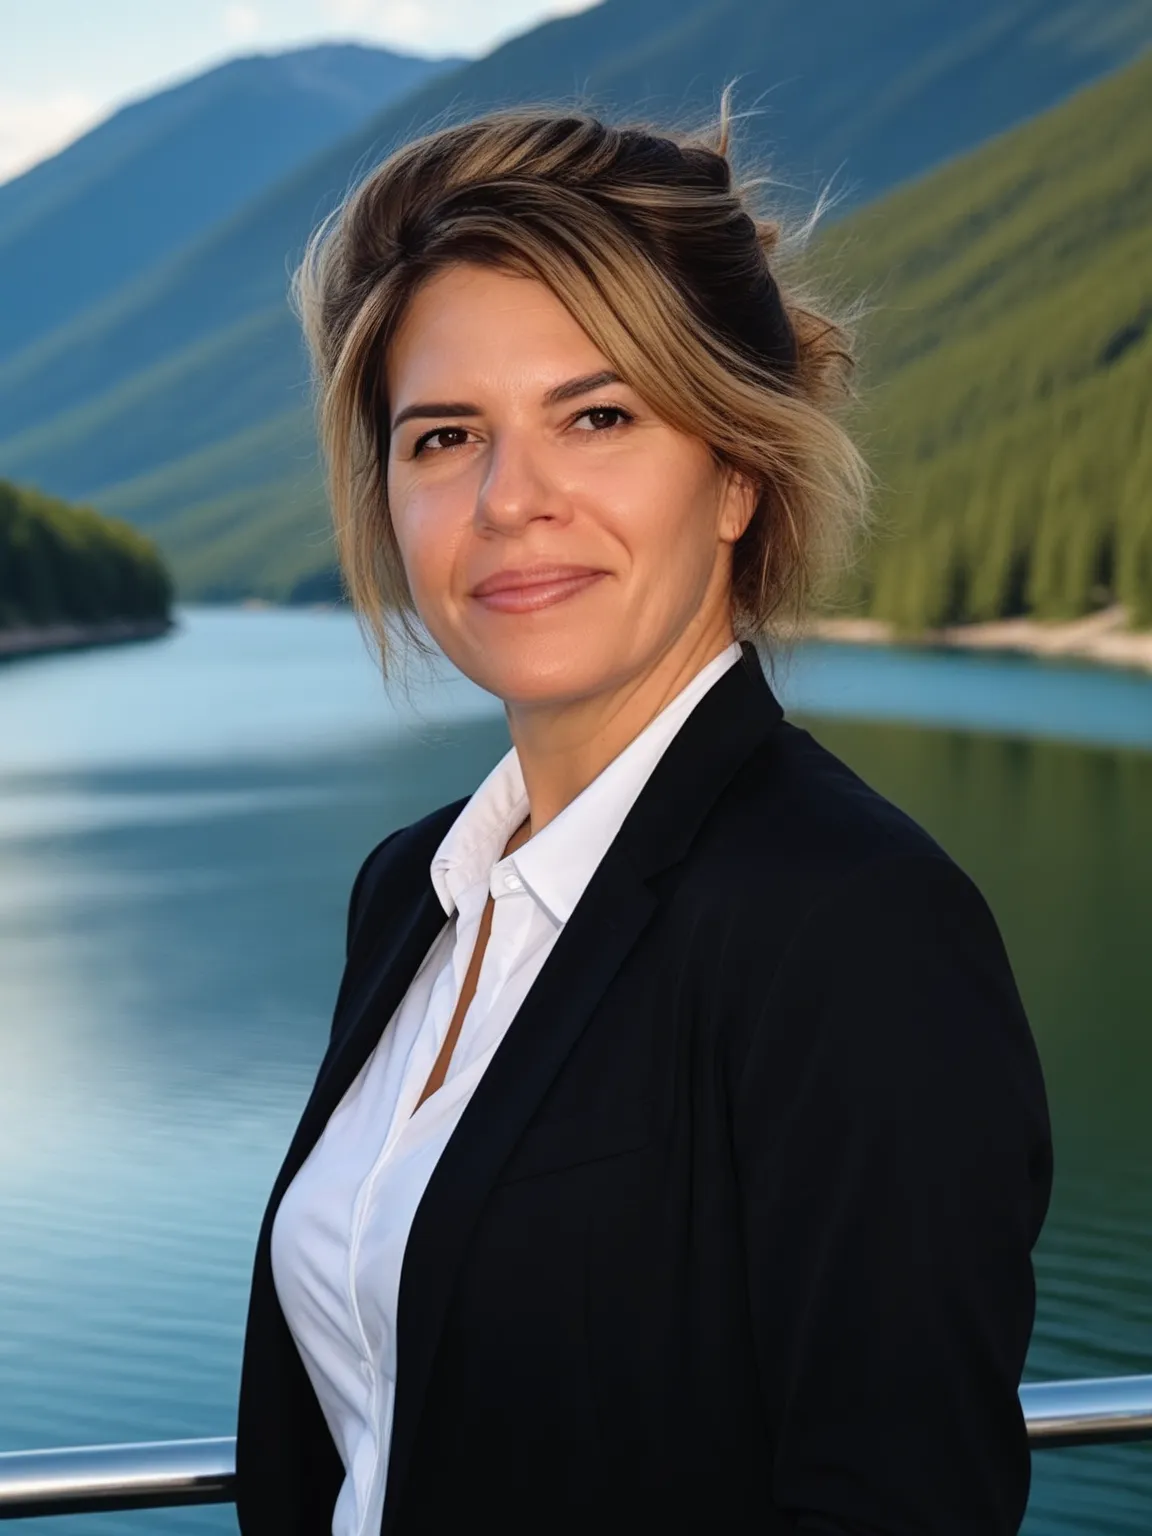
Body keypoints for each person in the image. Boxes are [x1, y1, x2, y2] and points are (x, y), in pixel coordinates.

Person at [234, 97, 1053, 1536]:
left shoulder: (852, 927)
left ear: (736, 471)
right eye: (442, 438)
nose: (509, 501)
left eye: (598, 417)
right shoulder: (410, 893)